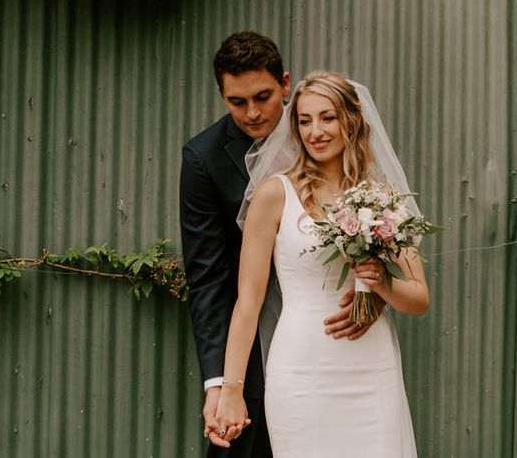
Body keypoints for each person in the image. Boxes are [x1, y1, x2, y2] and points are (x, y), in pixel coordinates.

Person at [180, 34, 380, 456]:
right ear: (222, 95)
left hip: (337, 340)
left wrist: (372, 295)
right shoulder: (204, 158)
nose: (252, 113)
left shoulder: (326, 131)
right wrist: (220, 383)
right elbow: (209, 278)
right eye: (237, 102)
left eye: (263, 96)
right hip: (251, 347)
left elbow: (374, 233)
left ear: (285, 84)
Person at [214, 71, 429, 457]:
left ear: (351, 120)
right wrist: (231, 390)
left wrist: (381, 285)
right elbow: (248, 301)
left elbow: (419, 299)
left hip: (371, 367)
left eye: (327, 117)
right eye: (304, 120)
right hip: (301, 369)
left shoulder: (382, 200)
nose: (315, 131)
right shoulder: (274, 195)